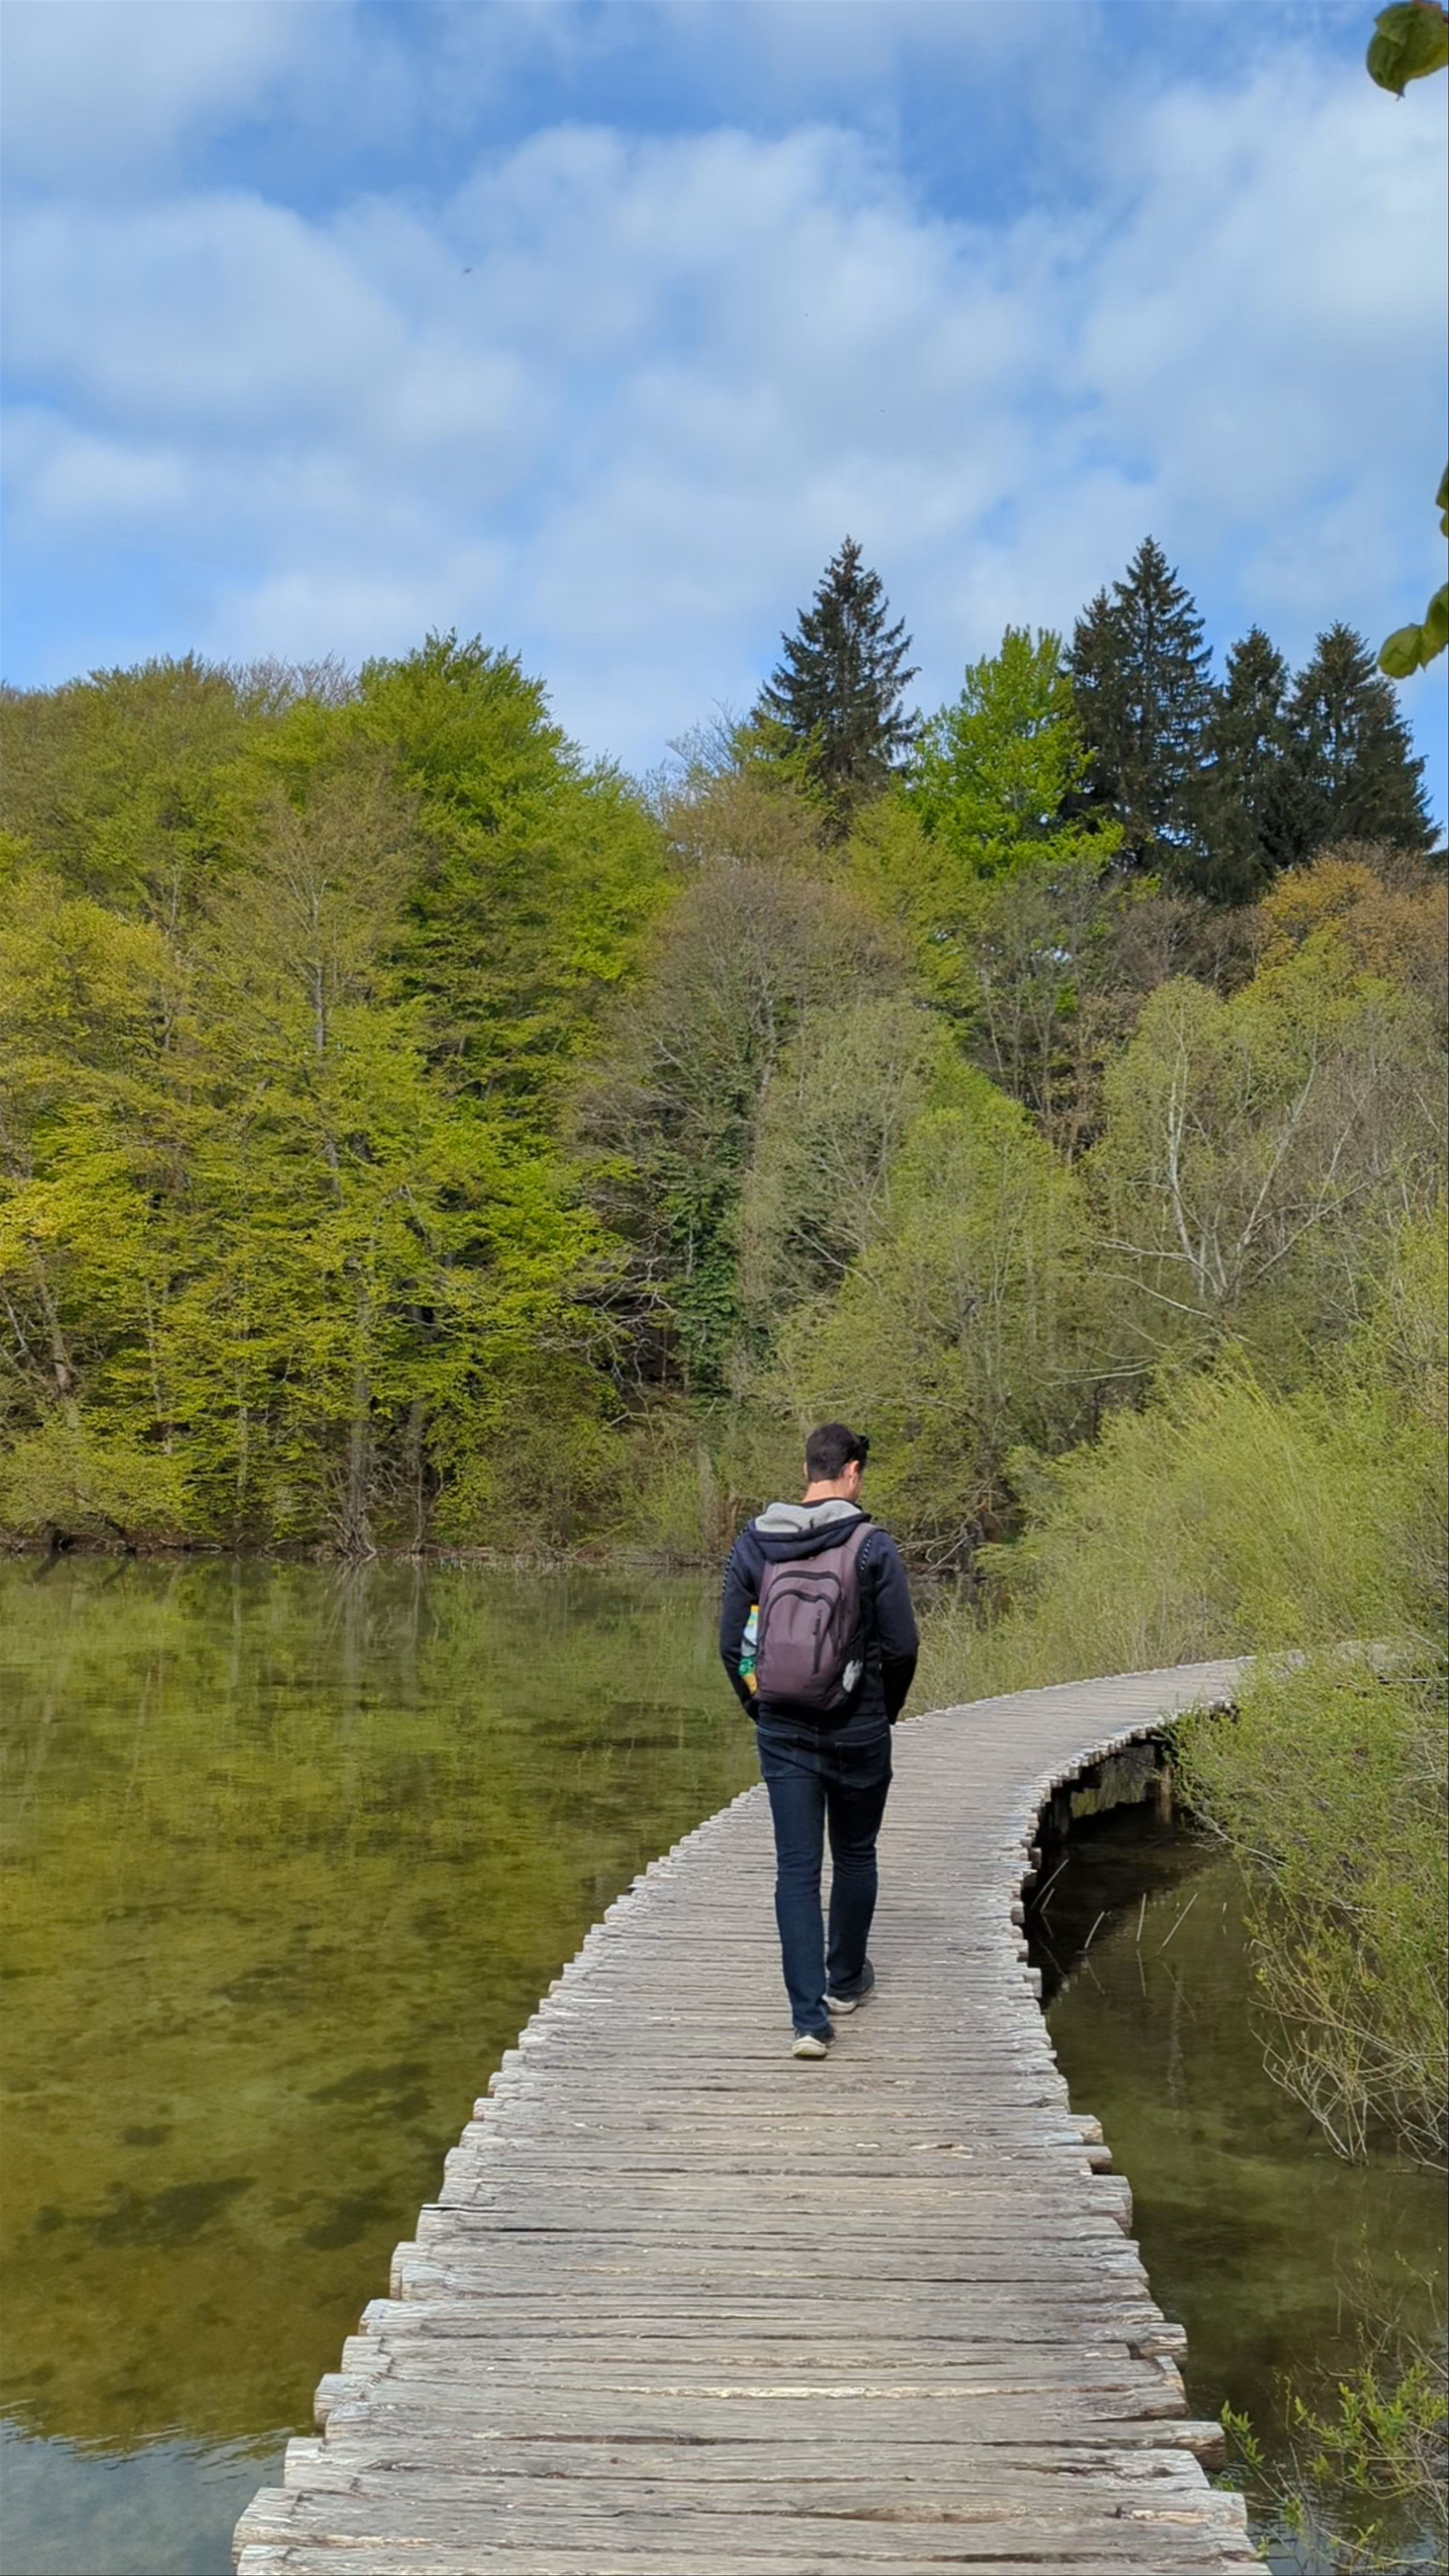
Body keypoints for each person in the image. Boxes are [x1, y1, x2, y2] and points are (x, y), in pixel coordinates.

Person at [720, 1422, 918, 2059]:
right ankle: (845, 1982)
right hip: (858, 1727)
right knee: (856, 1854)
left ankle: (808, 2021)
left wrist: (762, 1706)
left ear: (808, 1470)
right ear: (853, 1471)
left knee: (797, 1870)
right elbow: (903, 1646)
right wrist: (884, 1711)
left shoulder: (755, 1544)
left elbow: (730, 1646)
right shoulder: (871, 1546)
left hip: (782, 1726)